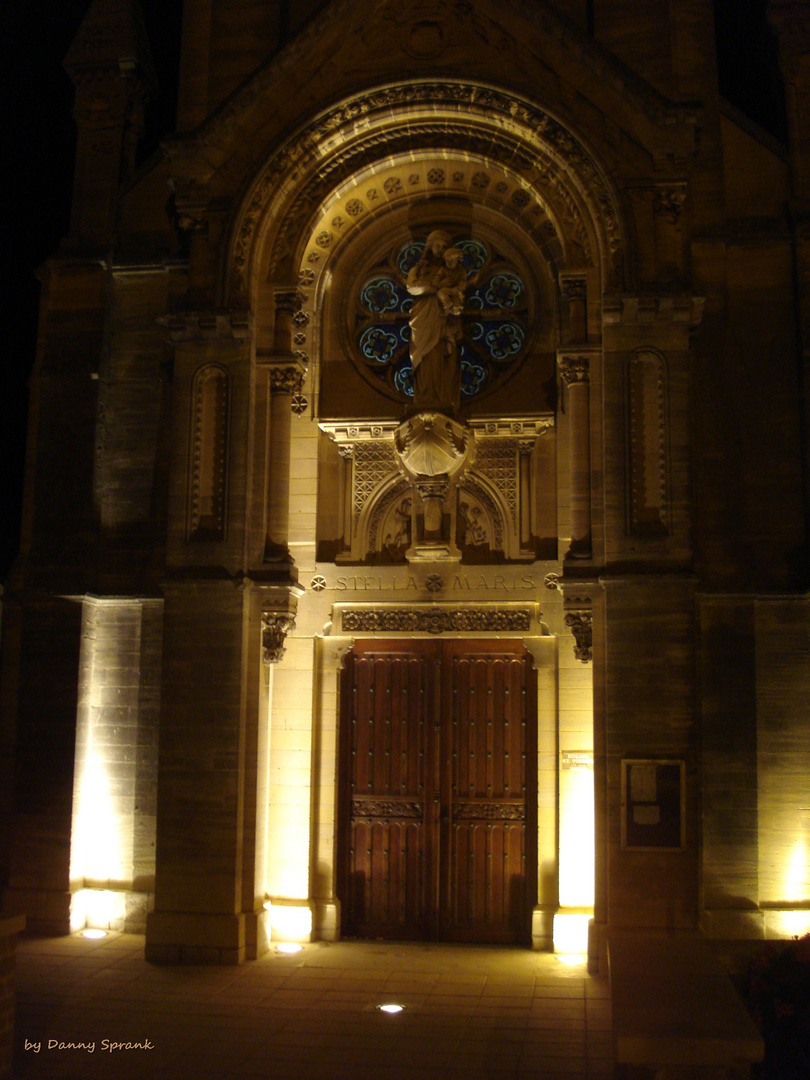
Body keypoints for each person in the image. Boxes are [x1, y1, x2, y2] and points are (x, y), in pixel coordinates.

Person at [406, 231, 468, 414]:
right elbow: (411, 286)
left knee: (445, 355)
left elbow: (460, 288)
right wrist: (435, 289)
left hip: (445, 317)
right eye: (436, 246)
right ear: (429, 247)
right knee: (425, 358)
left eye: (443, 247)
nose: (440, 250)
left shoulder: (452, 270)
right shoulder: (418, 270)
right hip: (425, 315)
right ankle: (426, 396)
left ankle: (444, 397)